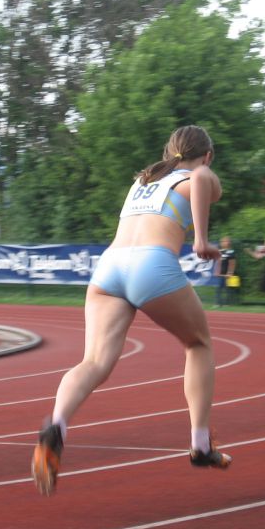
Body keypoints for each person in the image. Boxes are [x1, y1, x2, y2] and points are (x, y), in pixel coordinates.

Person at [31, 125, 232, 496]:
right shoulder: (196, 173)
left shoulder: (143, 180)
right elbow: (202, 177)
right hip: (150, 265)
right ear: (207, 154)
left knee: (94, 362)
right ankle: (201, 444)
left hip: (109, 268)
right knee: (198, 344)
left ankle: (56, 424)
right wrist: (201, 240)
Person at [214, 236, 237, 307]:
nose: (223, 243)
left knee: (228, 289)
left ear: (229, 242)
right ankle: (218, 303)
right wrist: (216, 271)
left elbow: (232, 263)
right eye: (222, 241)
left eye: (225, 241)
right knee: (218, 289)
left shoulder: (231, 252)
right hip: (221, 274)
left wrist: (230, 273)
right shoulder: (220, 251)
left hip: (227, 275)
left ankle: (227, 303)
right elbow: (218, 262)